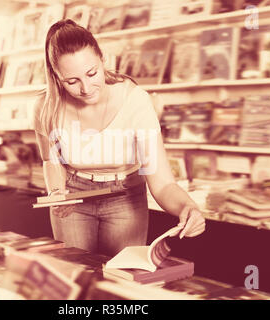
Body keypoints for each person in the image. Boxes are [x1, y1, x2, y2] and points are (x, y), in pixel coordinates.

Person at [34, 19, 205, 257]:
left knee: (122, 277)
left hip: (125, 196)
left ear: (103, 59)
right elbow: (51, 160)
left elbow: (163, 183)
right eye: (72, 81)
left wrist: (189, 208)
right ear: (56, 76)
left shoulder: (135, 100)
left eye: (92, 73)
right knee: (76, 276)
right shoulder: (46, 106)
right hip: (72, 195)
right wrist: (56, 193)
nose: (86, 88)